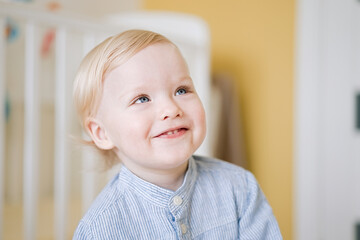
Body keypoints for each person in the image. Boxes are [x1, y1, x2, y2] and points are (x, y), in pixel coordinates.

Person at [73, 29, 282, 239]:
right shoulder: (100, 228)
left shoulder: (240, 189)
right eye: (142, 99)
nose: (171, 109)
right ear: (102, 134)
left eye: (182, 90)